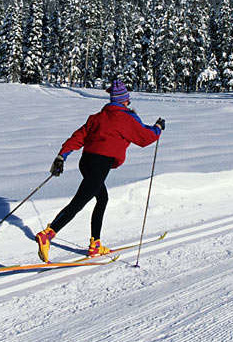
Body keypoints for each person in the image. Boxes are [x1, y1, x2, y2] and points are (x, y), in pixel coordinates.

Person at [35, 80, 165, 262]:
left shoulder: (97, 117)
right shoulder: (127, 118)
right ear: (124, 101)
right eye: (127, 100)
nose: (129, 103)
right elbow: (145, 137)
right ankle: (47, 235)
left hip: (86, 162)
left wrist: (61, 156)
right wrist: (158, 128)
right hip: (100, 165)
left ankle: (95, 244)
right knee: (78, 202)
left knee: (102, 198)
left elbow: (78, 137)